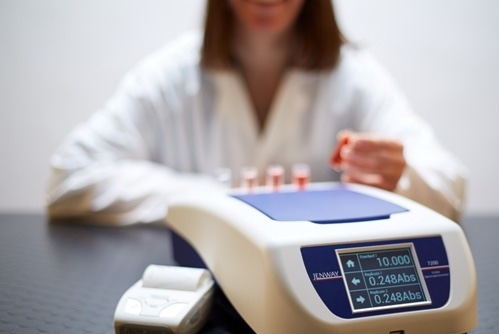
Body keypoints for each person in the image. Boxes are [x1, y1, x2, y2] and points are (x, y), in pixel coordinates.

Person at [46, 0, 467, 225]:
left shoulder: (353, 76)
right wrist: (216, 202)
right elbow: (71, 176)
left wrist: (399, 176)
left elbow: (449, 183)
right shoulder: (169, 76)